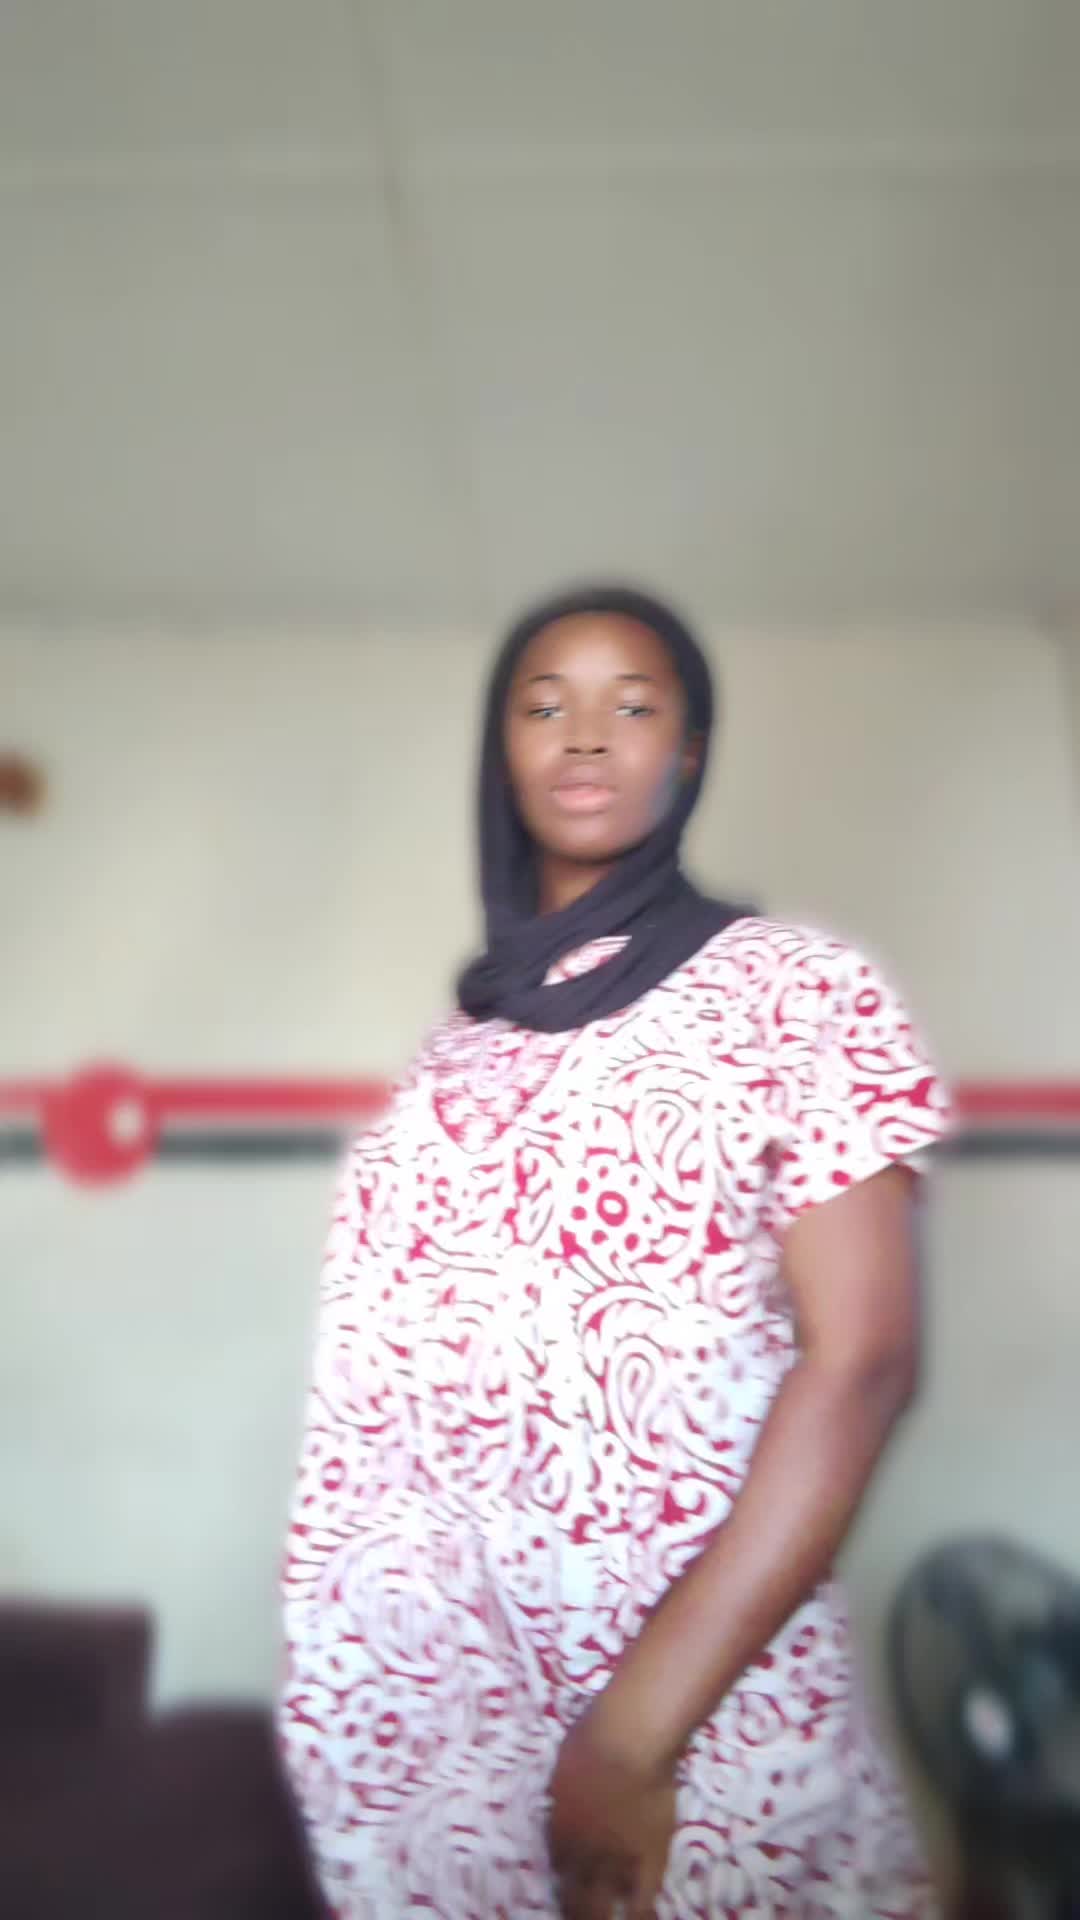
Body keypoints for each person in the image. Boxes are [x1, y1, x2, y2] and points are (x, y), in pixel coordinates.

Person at [278, 586, 952, 1918]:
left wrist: (631, 1741)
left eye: (632, 706)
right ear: (503, 751)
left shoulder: (796, 988)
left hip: (687, 1708)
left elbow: (865, 1360)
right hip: (451, 1719)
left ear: (687, 755)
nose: (585, 734)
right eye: (545, 706)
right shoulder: (459, 1050)